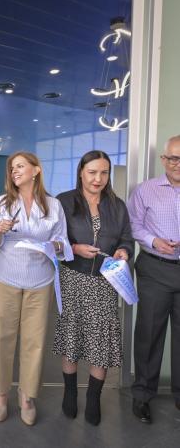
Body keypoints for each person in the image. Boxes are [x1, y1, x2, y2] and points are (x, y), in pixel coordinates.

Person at [0, 151, 69, 426]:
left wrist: (53, 245)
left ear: (36, 170)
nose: (15, 172)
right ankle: (0, 394)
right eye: (12, 168)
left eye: (20, 166)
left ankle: (27, 396)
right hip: (6, 277)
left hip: (40, 280)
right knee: (2, 337)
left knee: (35, 341)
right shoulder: (3, 202)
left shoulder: (53, 205)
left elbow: (63, 244)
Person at [53, 150, 133, 426]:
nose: (98, 178)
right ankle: (70, 392)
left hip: (104, 282)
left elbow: (126, 238)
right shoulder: (64, 201)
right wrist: (74, 248)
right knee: (72, 337)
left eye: (104, 173)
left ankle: (94, 398)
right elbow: (54, 240)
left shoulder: (117, 205)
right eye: (92, 172)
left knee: (101, 341)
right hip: (73, 278)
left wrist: (124, 251)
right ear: (81, 172)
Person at [128, 135, 180, 423]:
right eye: (173, 158)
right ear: (163, 159)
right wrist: (153, 240)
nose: (177, 164)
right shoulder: (145, 190)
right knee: (149, 333)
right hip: (155, 268)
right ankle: (143, 395)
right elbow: (133, 225)